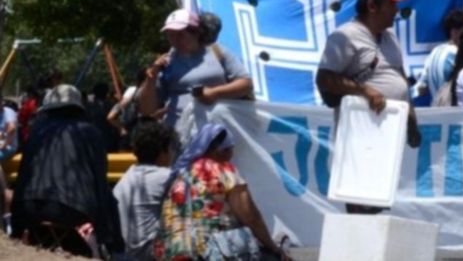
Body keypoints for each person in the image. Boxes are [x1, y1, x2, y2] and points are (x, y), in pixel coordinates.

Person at [315, 0, 423, 214]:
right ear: (372, 6)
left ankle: (371, 243)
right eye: (391, 4)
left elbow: (400, 80)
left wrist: (412, 120)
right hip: (361, 126)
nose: (396, 10)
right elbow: (324, 78)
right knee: (358, 190)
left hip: (388, 126)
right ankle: (358, 244)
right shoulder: (345, 36)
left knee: (378, 197)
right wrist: (364, 90)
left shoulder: (390, 38)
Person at [9, 84, 124, 256]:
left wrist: (16, 228)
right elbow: (100, 183)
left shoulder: (36, 133)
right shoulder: (90, 132)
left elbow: (23, 174)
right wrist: (108, 235)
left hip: (28, 208)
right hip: (72, 209)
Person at [153, 124, 288, 260]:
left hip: (175, 252)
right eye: (229, 149)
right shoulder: (223, 171)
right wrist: (273, 247)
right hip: (212, 252)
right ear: (218, 150)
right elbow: (250, 216)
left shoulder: (180, 176)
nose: (231, 154)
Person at [138, 9, 253, 146]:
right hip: (180, 138)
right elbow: (147, 110)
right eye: (170, 35)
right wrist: (151, 78)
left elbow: (246, 84)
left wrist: (215, 93)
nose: (175, 40)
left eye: (181, 34)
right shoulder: (166, 63)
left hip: (219, 137)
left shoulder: (218, 51)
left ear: (196, 32)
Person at [113, 121, 176, 259]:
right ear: (162, 152)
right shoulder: (167, 177)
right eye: (170, 149)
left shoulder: (126, 177)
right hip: (149, 254)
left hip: (122, 253)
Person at [417, 9, 463, 107]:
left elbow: (421, 89)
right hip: (454, 111)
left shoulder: (434, 52)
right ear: (454, 32)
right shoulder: (457, 54)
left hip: (436, 110)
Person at [85, 82, 120, 152]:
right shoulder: (112, 105)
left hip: (93, 138)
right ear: (106, 93)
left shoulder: (88, 106)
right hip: (109, 139)